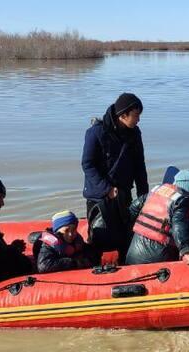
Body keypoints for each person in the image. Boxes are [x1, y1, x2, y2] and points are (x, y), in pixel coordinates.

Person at [81, 93, 150, 263]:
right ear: (123, 115)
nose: (138, 120)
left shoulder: (135, 134)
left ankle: (125, 267)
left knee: (126, 236)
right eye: (136, 115)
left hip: (123, 194)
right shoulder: (96, 133)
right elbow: (87, 165)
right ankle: (93, 267)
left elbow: (140, 167)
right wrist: (107, 189)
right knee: (99, 236)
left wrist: (144, 197)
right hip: (99, 196)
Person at [124, 169, 189, 265]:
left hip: (132, 255)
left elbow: (132, 210)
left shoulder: (155, 192)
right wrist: (186, 253)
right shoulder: (182, 200)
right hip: (156, 258)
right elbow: (179, 226)